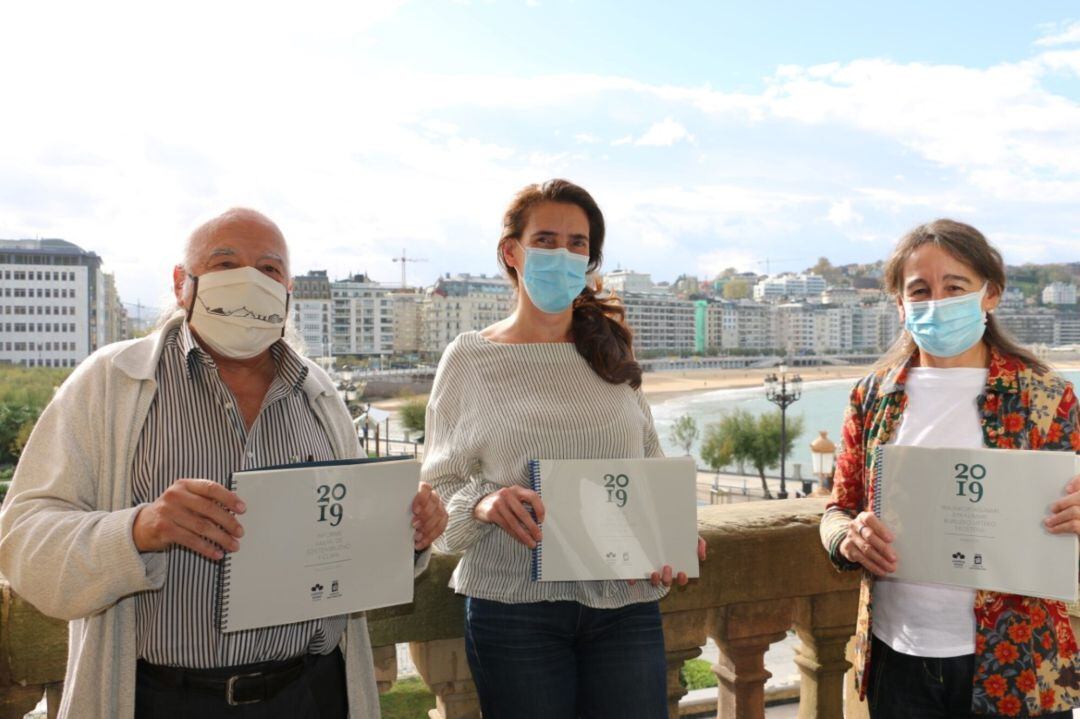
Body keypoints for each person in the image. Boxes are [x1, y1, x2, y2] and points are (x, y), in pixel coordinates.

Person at [0, 208, 448, 719]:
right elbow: (22, 540)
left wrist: (406, 533)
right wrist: (137, 529)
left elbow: (344, 546)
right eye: (225, 262)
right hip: (165, 700)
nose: (250, 281)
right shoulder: (108, 383)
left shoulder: (320, 395)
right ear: (180, 285)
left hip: (313, 692)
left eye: (270, 269)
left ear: (288, 293)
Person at [421, 179, 705, 719]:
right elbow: (438, 490)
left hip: (625, 605)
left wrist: (672, 531)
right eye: (546, 239)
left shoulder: (611, 350)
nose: (563, 254)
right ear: (512, 252)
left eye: (578, 244)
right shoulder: (470, 358)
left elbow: (648, 463)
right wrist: (484, 503)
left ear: (591, 259)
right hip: (514, 609)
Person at [819, 219, 1080, 718]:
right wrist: (845, 538)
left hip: (1019, 658)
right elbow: (838, 507)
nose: (936, 301)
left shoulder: (1046, 397)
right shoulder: (872, 396)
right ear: (900, 305)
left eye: (954, 286)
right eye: (919, 290)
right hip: (897, 657)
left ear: (991, 294)